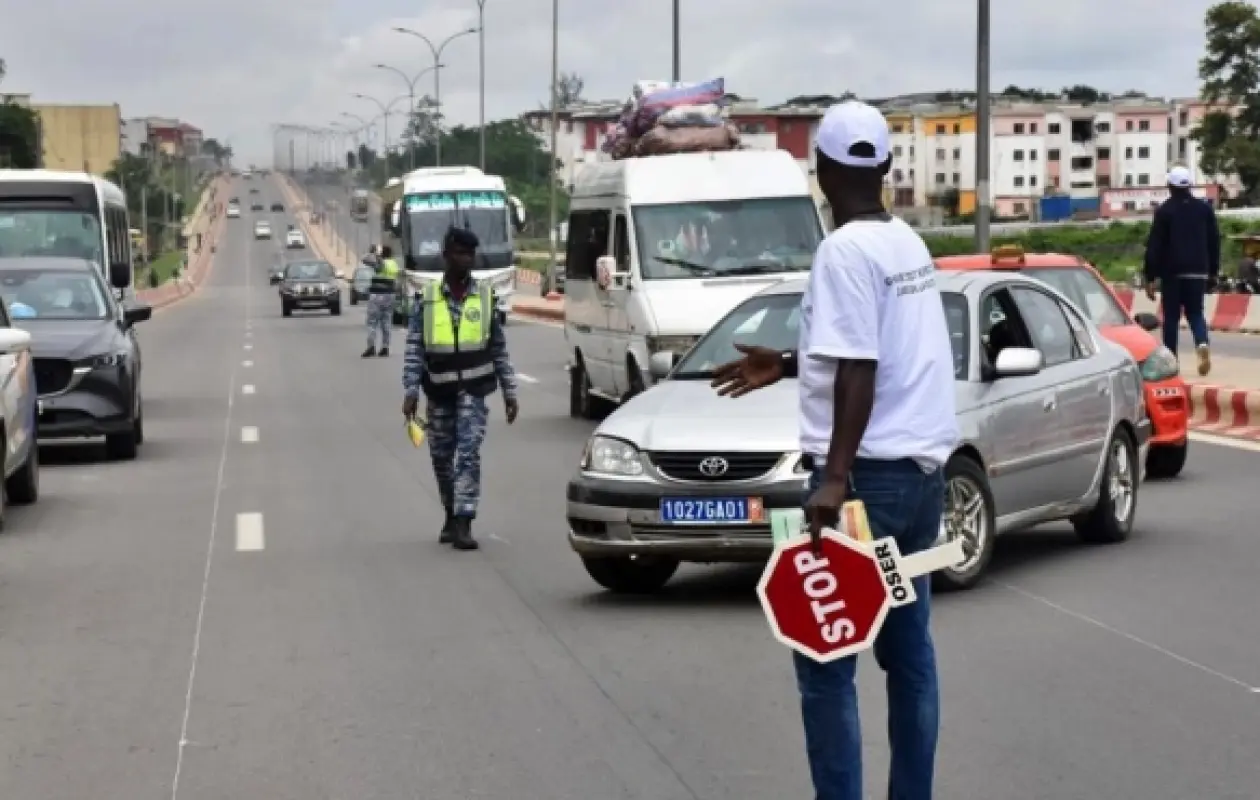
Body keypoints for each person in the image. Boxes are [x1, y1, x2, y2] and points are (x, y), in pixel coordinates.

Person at [711, 101, 959, 800]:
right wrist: (790, 364)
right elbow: (870, 350)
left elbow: (860, 368)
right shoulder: (906, 244)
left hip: (863, 489)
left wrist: (834, 479)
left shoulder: (842, 251)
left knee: (825, 662)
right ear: (885, 167)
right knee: (909, 659)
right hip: (918, 484)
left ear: (820, 169)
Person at [401, 227, 519, 551]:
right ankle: (451, 513)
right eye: (459, 254)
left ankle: (465, 521)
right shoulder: (426, 299)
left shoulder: (485, 297)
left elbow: (498, 349)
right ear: (446, 256)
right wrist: (411, 391)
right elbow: (415, 349)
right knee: (441, 457)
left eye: (469, 254)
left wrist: (510, 391)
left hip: (474, 391)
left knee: (467, 453)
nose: (465, 260)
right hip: (438, 391)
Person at [1143, 166, 1218, 376]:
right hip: (1198, 271)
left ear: (1170, 186)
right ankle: (1202, 343)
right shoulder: (1204, 210)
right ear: (1189, 185)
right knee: (1195, 313)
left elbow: (1155, 246)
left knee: (1171, 317)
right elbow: (1214, 242)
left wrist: (1150, 276)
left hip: (1172, 273)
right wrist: (1213, 271)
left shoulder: (1164, 211)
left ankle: (1172, 360)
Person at [362, 244, 400, 358]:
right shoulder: (394, 264)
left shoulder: (381, 263)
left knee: (372, 322)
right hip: (390, 295)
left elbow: (364, 259)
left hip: (377, 295)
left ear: (382, 253)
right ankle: (385, 347)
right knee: (386, 322)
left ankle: (371, 347)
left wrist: (373, 253)